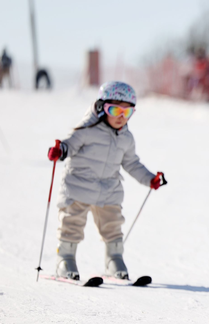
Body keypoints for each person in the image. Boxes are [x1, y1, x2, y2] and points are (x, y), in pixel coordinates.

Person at [47, 81, 165, 281]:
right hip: (78, 187)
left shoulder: (126, 138)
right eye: (115, 110)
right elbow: (70, 145)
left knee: (113, 225)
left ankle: (114, 259)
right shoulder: (86, 129)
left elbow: (132, 164)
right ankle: (65, 259)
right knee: (71, 223)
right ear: (102, 108)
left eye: (127, 113)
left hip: (109, 190)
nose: (121, 117)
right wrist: (61, 151)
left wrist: (149, 179)